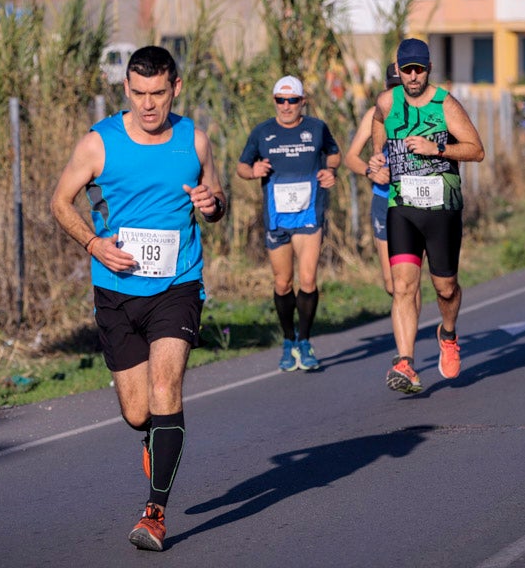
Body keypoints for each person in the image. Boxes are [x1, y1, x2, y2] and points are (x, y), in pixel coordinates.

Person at [50, 46, 227, 552]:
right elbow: (60, 202)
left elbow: (216, 201)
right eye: (139, 93)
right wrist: (93, 244)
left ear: (176, 88)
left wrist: (212, 204)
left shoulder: (194, 140)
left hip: (178, 285)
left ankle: (154, 513)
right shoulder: (98, 143)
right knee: (137, 412)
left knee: (166, 387)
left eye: (158, 93)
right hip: (116, 291)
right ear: (126, 89)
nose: (148, 104)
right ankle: (155, 436)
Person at [370, 39, 485, 393]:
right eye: (407, 70)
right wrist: (377, 157)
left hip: (442, 209)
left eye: (419, 69)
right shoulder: (387, 102)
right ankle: (405, 362)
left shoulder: (445, 104)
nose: (413, 76)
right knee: (403, 286)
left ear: (429, 69)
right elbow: (378, 123)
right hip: (402, 207)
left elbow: (477, 150)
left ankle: (447, 334)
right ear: (398, 70)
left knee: (445, 289)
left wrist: (437, 147)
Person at [237, 75, 341, 372]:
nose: (286, 106)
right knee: (283, 283)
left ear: (302, 101)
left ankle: (305, 340)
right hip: (277, 216)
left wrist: (330, 171)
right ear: (274, 101)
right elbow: (241, 166)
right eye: (280, 100)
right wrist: (253, 171)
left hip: (309, 213)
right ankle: (288, 339)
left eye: (292, 100)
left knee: (307, 280)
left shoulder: (316, 128)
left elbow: (334, 154)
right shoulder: (263, 132)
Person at [345, 63, 425, 302]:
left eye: (401, 87)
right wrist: (371, 172)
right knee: (392, 284)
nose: (397, 93)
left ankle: (410, 326)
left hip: (415, 200)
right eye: (392, 87)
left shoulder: (423, 113)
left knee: (408, 279)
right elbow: (351, 158)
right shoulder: (374, 114)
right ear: (385, 87)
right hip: (384, 200)